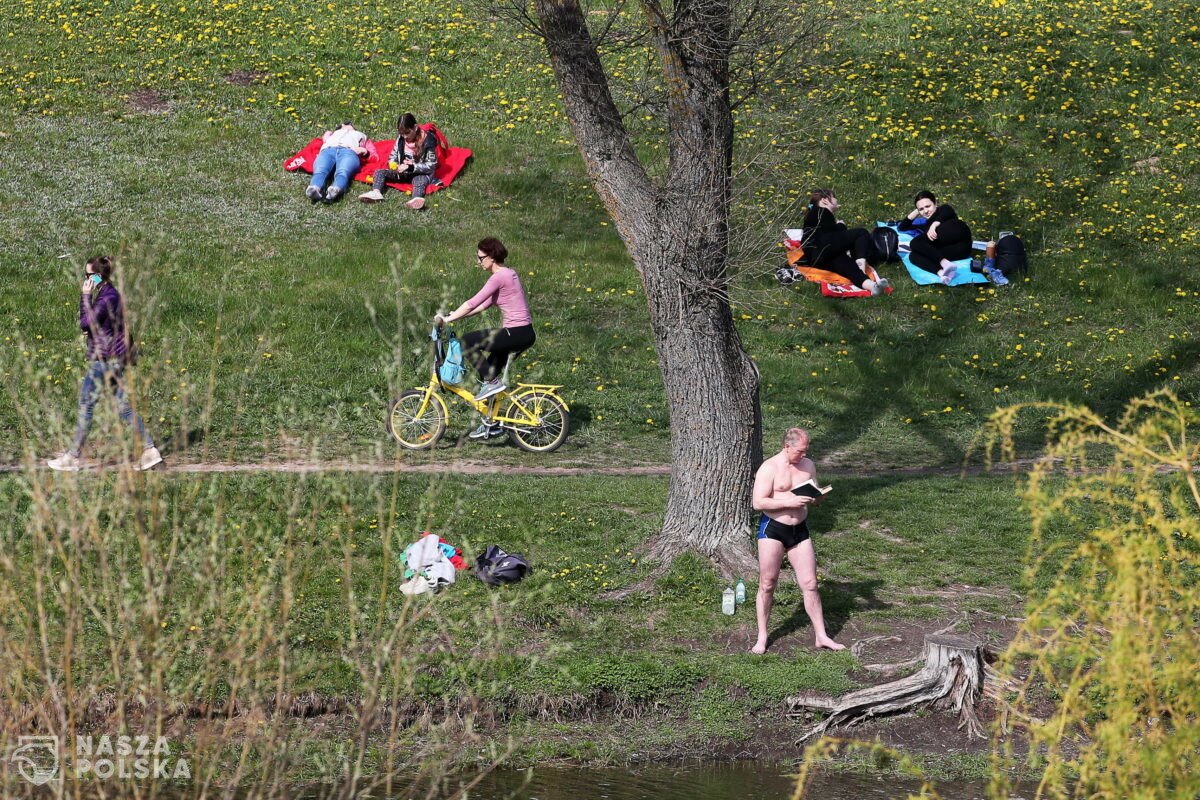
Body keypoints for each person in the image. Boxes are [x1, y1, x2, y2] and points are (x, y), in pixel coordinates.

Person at [47, 256, 162, 472]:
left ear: (98, 276)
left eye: (88, 275)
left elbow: (86, 322)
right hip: (113, 358)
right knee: (123, 406)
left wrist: (85, 296)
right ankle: (150, 451)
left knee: (86, 405)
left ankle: (72, 457)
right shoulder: (110, 294)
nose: (85, 279)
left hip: (104, 359)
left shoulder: (107, 297)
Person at [750, 428, 844, 653]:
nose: (803, 455)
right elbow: (758, 503)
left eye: (805, 450)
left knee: (810, 584)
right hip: (773, 529)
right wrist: (789, 502)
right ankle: (762, 637)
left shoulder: (808, 465)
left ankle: (821, 636)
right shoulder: (770, 467)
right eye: (800, 451)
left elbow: (814, 496)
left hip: (800, 530)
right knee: (767, 583)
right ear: (787, 446)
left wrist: (818, 497)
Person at [434, 238, 536, 440]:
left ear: (492, 257)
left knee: (467, 341)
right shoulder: (508, 274)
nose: (478, 261)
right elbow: (482, 305)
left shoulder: (499, 277)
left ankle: (492, 384)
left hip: (516, 332)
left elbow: (472, 302)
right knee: (488, 376)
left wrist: (447, 320)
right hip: (522, 333)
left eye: (480, 258)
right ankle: (492, 422)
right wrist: (453, 315)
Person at [801, 189, 890, 296]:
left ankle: (872, 286)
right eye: (834, 197)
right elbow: (829, 234)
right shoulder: (820, 211)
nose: (836, 200)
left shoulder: (812, 215)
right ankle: (861, 268)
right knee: (861, 233)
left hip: (815, 258)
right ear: (825, 200)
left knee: (847, 266)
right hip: (821, 245)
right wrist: (841, 225)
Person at [359, 113, 439, 209]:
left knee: (419, 181)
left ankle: (416, 199)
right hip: (402, 171)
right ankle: (376, 192)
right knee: (379, 172)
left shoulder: (428, 141)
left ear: (415, 127)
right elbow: (393, 154)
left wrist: (411, 167)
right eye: (402, 133)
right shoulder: (401, 138)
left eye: (407, 133)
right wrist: (393, 163)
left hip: (420, 173)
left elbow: (431, 165)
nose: (405, 136)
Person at [898, 190, 973, 284]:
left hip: (958, 232)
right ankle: (942, 272)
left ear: (935, 204)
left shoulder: (942, 210)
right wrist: (917, 210)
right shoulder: (925, 224)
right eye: (921, 209)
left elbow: (948, 209)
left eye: (928, 206)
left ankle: (944, 263)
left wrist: (935, 224)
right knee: (913, 256)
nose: (926, 211)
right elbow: (902, 227)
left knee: (915, 242)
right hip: (960, 251)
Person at [305, 121, 370, 203]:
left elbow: (370, 149)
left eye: (349, 124)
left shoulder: (361, 135)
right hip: (328, 150)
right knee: (320, 170)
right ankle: (314, 188)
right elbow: (325, 139)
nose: (348, 125)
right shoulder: (334, 133)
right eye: (346, 124)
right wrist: (328, 133)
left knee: (343, 172)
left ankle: (336, 189)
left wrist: (364, 151)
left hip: (349, 151)